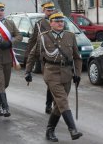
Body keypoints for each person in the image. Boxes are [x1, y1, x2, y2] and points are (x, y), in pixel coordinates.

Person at [25, 11, 83, 142]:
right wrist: (28, 71)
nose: (60, 23)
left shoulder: (70, 36)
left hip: (67, 73)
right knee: (62, 101)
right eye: (56, 21)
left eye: (61, 21)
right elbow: (33, 55)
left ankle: (50, 130)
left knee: (58, 104)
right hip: (51, 72)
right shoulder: (43, 37)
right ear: (50, 23)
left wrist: (77, 74)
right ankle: (72, 129)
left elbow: (77, 58)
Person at [25, 1, 55, 114]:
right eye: (48, 10)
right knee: (51, 83)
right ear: (44, 11)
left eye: (52, 10)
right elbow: (33, 40)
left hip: (57, 56)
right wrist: (28, 56)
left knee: (54, 83)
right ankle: (49, 105)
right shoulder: (39, 24)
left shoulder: (59, 21)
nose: (50, 12)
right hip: (45, 58)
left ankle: (52, 105)